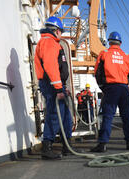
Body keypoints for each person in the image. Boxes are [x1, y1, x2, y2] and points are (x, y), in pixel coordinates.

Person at [91, 31, 129, 152]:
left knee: (108, 116)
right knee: (126, 116)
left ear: (109, 42)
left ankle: (103, 144)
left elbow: (97, 73)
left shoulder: (104, 54)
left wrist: (103, 87)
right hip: (124, 89)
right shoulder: (127, 56)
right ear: (120, 43)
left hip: (110, 89)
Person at [34, 16, 74, 159]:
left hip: (56, 84)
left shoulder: (52, 43)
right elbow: (51, 67)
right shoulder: (49, 42)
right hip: (51, 85)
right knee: (55, 114)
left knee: (66, 117)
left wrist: (62, 87)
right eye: (60, 32)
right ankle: (47, 147)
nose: (61, 34)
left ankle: (66, 145)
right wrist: (58, 89)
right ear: (56, 30)